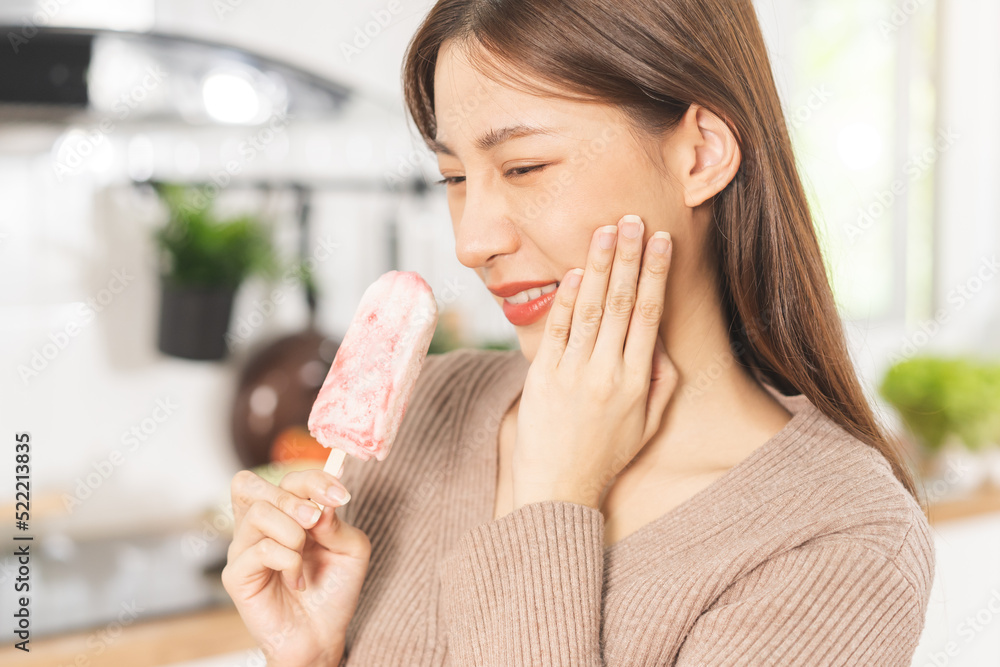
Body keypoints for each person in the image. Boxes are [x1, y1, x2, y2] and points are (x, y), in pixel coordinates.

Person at [222, 1, 936, 664]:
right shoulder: (429, 409)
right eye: (454, 178)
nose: (473, 242)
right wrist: (311, 656)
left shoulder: (837, 539)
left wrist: (553, 496)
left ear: (701, 155)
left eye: (524, 167)